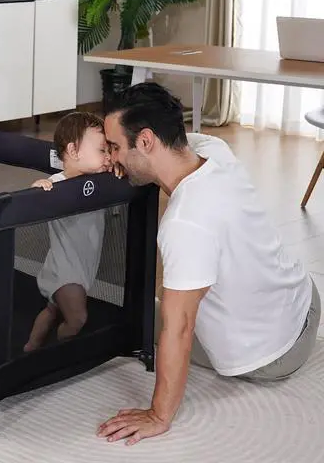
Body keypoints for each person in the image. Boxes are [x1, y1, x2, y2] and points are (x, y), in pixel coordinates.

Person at [97, 81, 320, 446]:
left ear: (146, 140)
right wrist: (125, 157)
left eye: (115, 147)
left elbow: (180, 328)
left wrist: (159, 414)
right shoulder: (214, 151)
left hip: (274, 355)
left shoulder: (186, 223)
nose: (112, 157)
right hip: (304, 300)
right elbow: (184, 142)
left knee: (145, 317)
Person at [23, 112, 112, 352]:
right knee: (77, 319)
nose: (108, 157)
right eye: (102, 150)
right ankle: (57, 349)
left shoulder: (104, 183)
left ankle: (31, 346)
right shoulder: (57, 184)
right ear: (73, 151)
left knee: (51, 311)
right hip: (64, 270)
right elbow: (33, 201)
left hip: (83, 269)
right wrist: (38, 187)